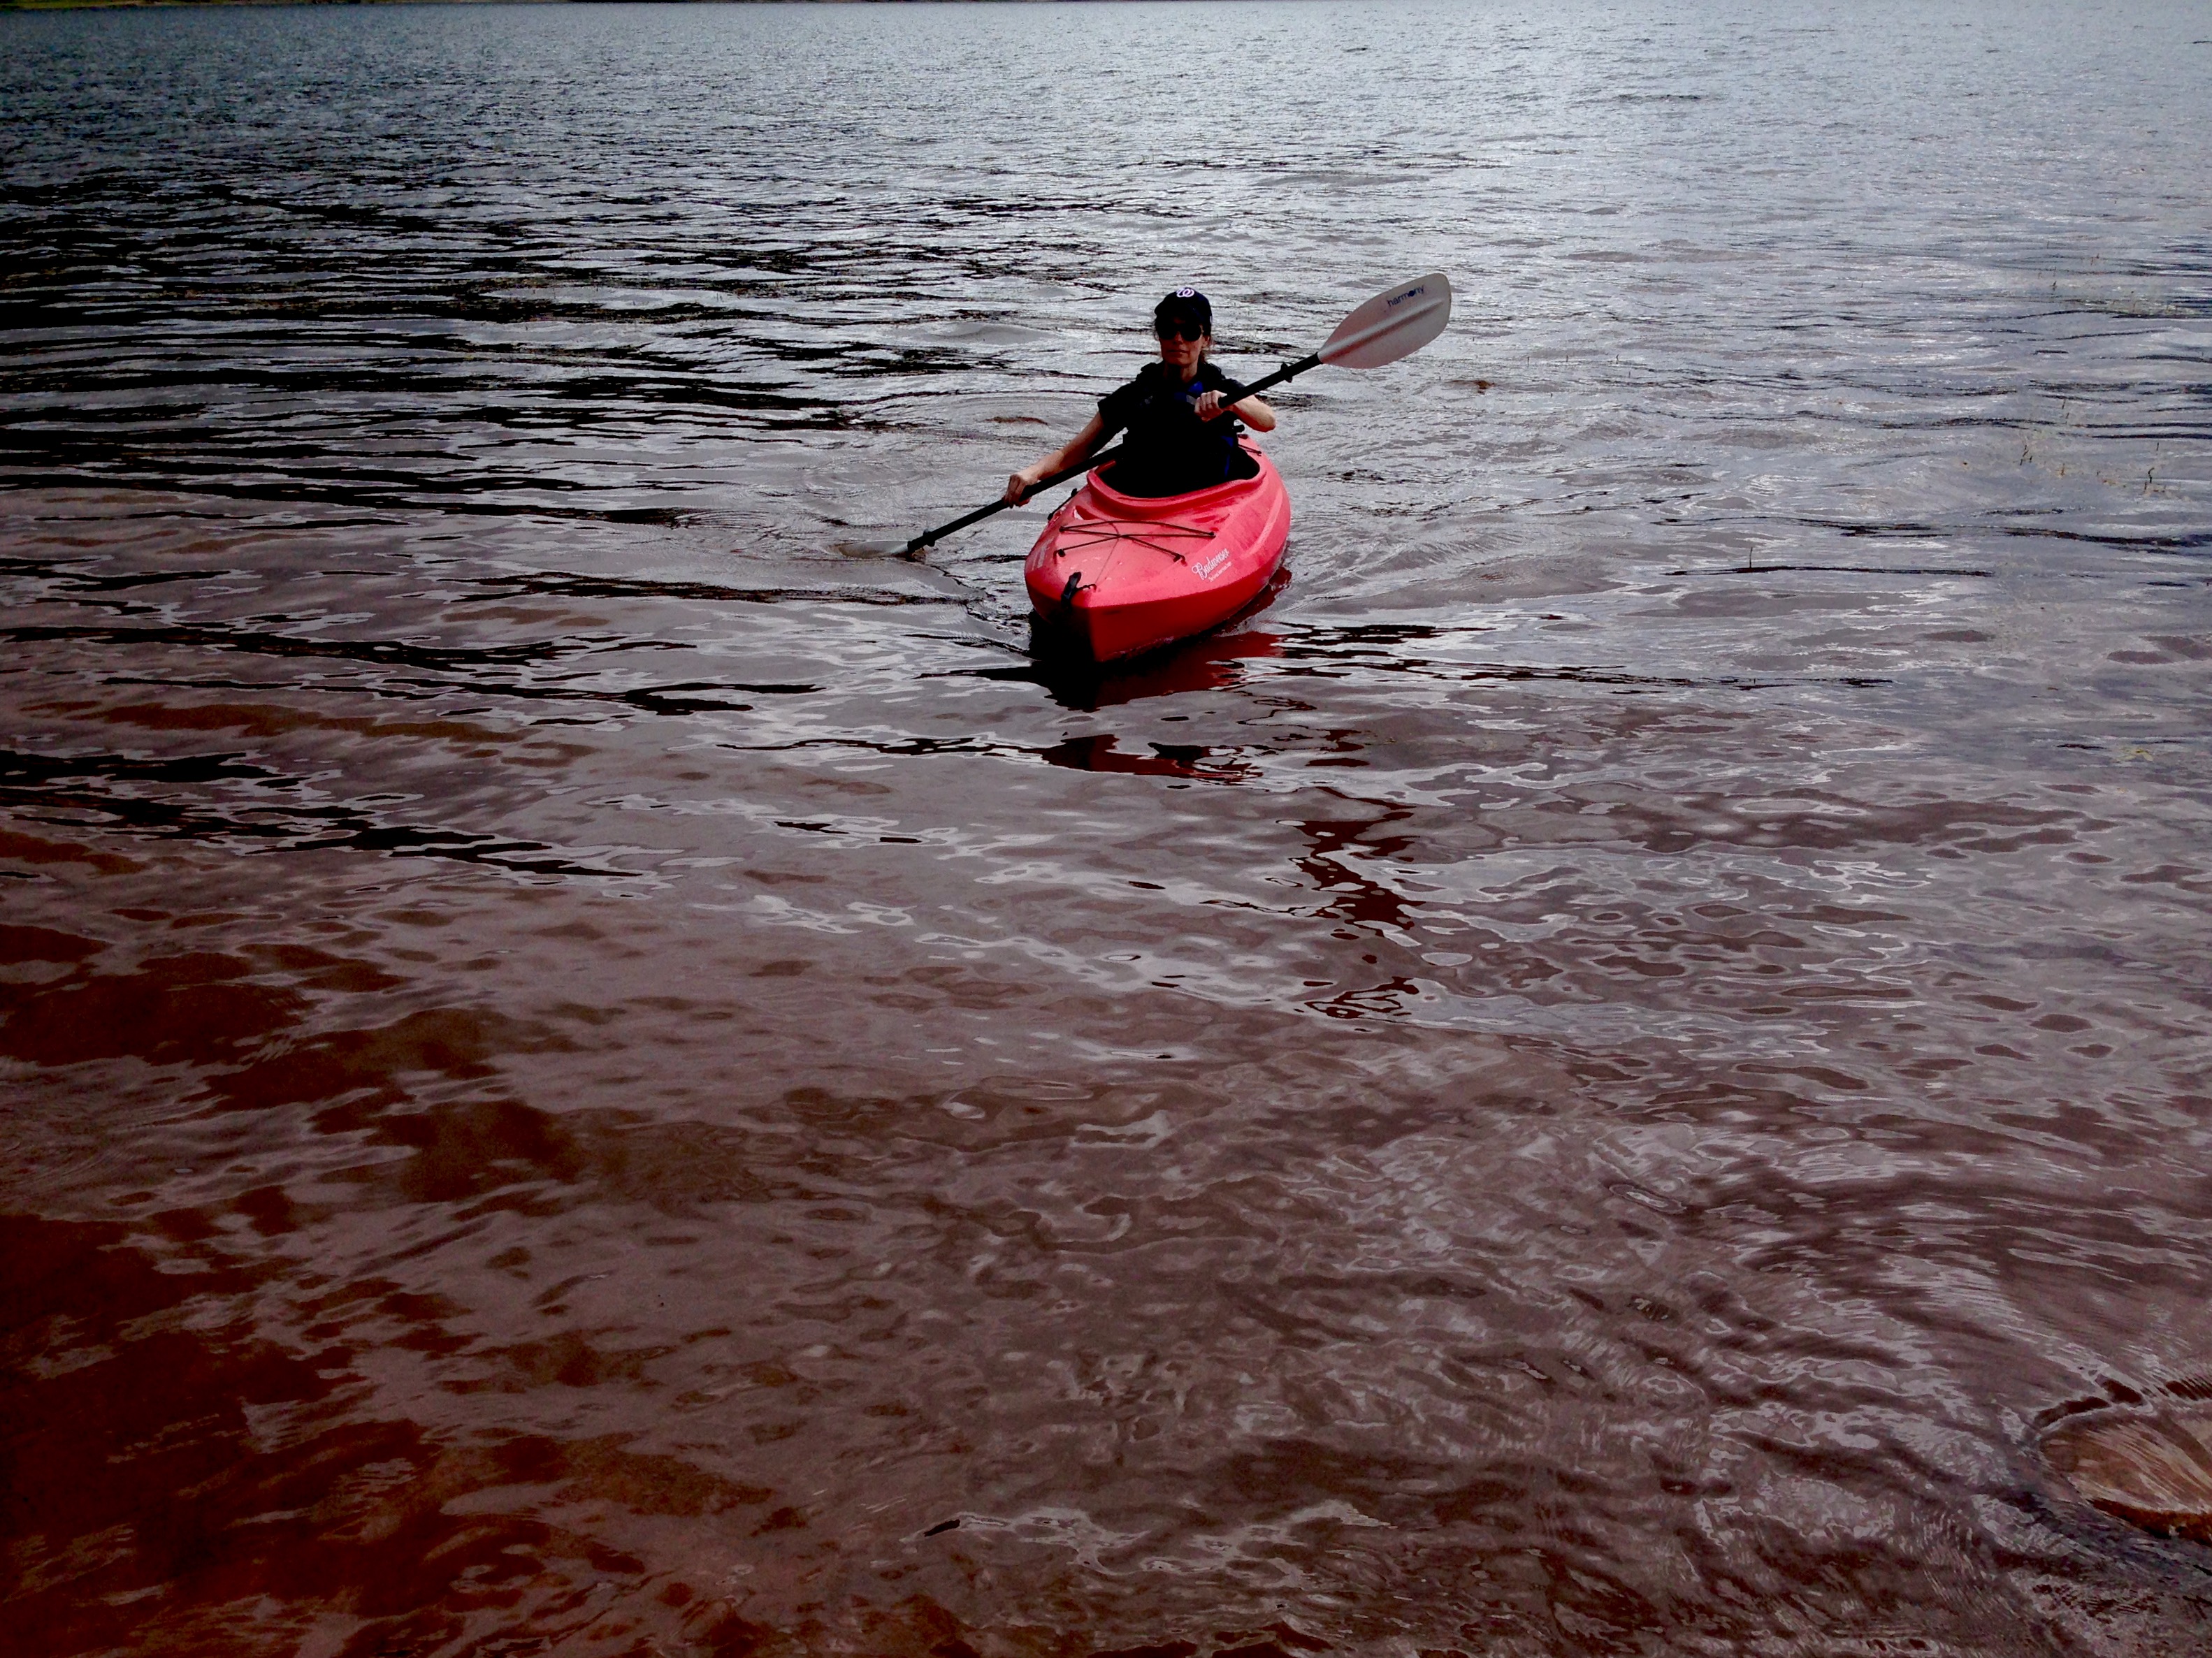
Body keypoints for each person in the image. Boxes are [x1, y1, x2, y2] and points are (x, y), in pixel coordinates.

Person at [1004, 287, 1277, 504]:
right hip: (1143, 502)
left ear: (1206, 339)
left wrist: (1231, 404)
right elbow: (1073, 454)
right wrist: (1034, 472)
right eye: (1168, 330)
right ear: (1158, 336)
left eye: (1190, 331)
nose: (1178, 339)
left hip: (1209, 499)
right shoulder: (1135, 395)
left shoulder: (1222, 387)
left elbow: (1267, 420)